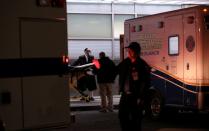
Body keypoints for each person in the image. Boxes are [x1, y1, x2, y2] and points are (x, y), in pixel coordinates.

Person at [117, 42, 150, 131]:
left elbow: (145, 82)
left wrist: (141, 96)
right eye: (129, 50)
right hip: (125, 95)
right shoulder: (125, 62)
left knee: (136, 118)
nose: (129, 52)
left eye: (131, 50)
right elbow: (115, 70)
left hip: (135, 96)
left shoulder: (142, 65)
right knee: (122, 115)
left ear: (136, 52)